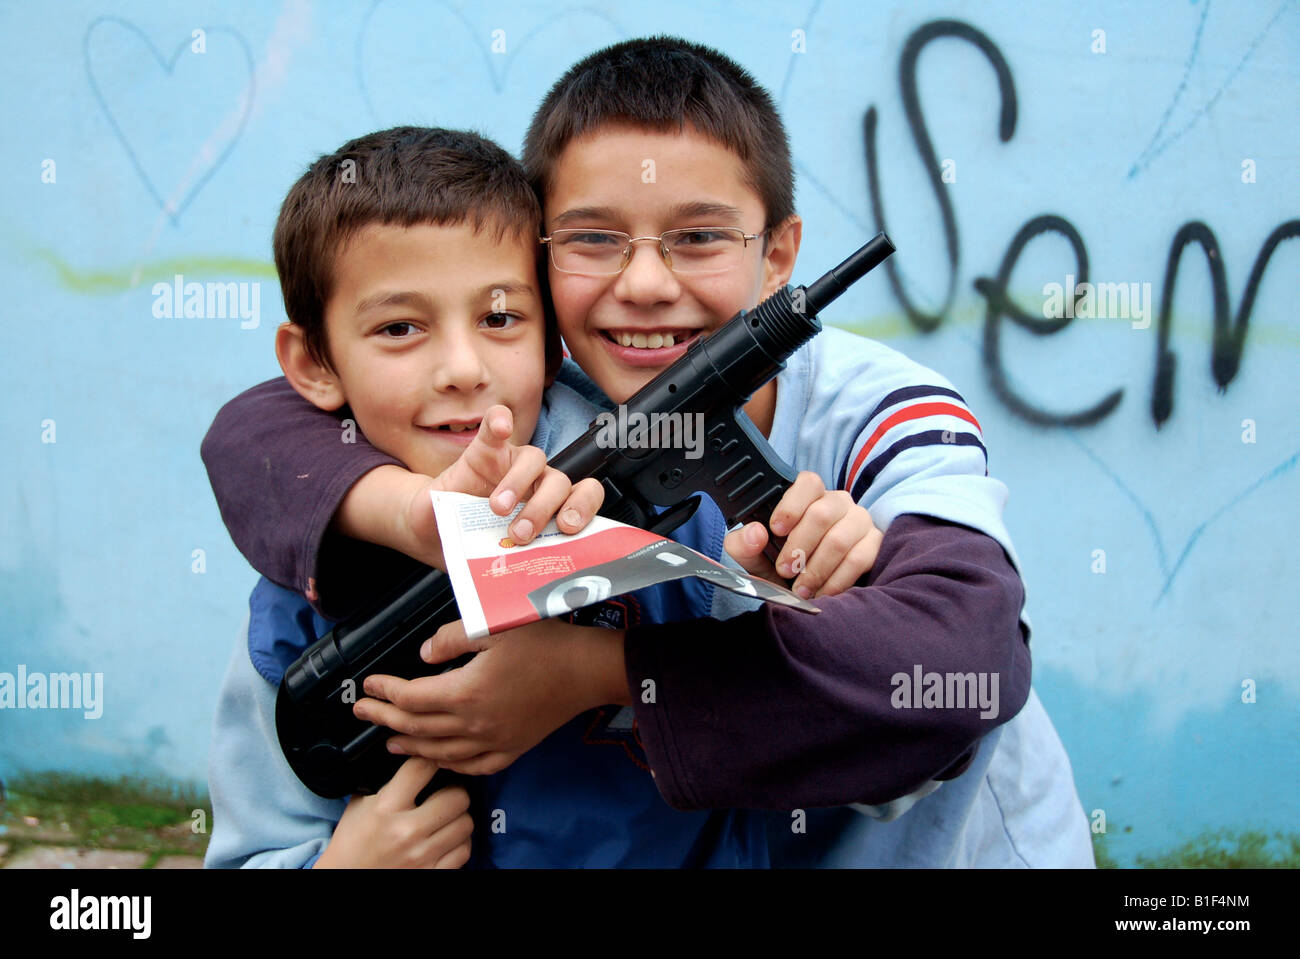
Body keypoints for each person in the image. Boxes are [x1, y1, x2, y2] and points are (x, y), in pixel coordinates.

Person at [205, 37, 1091, 866]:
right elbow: (259, 430)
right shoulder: (541, 396)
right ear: (545, 266)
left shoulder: (888, 414)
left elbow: (965, 665)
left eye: (700, 237)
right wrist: (405, 511)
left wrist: (594, 676)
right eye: (593, 239)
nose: (645, 284)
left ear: (779, 255)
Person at [203, 124, 884, 868]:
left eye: (500, 318)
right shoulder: (307, 580)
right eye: (400, 328)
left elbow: (831, 723)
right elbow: (255, 844)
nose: (462, 368)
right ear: (314, 362)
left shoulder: (678, 523)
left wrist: (805, 576)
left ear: (552, 335)